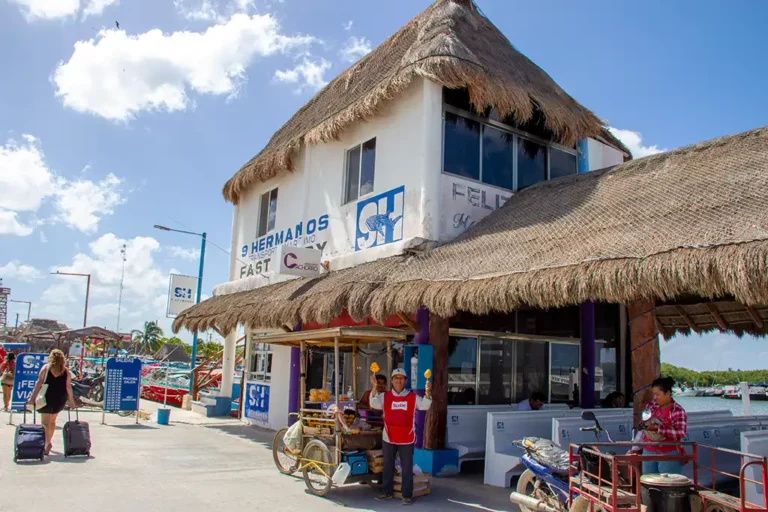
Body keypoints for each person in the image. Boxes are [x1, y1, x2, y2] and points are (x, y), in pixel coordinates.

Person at [369, 368, 432, 505]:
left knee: (407, 467)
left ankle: (407, 495)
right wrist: (374, 387)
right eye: (396, 378)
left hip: (406, 437)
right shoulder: (384, 396)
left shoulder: (412, 396)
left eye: (402, 378)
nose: (399, 380)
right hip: (389, 436)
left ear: (405, 381)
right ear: (392, 381)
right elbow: (373, 403)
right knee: (388, 466)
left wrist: (427, 393)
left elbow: (425, 406)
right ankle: (386, 492)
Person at [28, 349, 76, 455]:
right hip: (60, 398)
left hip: (46, 397)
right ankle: (48, 441)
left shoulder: (46, 368)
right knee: (52, 421)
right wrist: (71, 401)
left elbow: (38, 384)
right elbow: (68, 387)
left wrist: (32, 399)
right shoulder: (66, 371)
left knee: (45, 422)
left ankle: (47, 443)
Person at [641, 376, 688, 475]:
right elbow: (644, 423)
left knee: (668, 485)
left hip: (669, 452)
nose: (654, 397)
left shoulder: (677, 410)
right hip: (648, 450)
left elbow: (681, 432)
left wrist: (658, 428)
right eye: (653, 394)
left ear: (668, 393)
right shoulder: (650, 406)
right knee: (648, 481)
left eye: (657, 395)